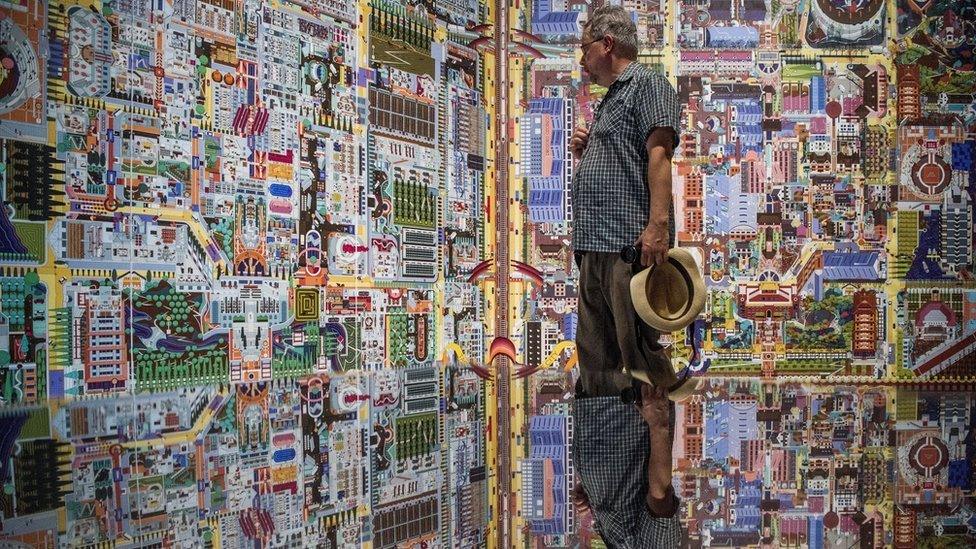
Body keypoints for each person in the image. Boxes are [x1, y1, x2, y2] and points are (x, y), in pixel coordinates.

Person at [568, 5, 683, 547]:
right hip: (593, 247)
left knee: (632, 352)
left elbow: (658, 156)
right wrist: (603, 483)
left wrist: (658, 225)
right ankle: (607, 448)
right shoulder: (615, 100)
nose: (583, 61)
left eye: (585, 48)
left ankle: (655, 418)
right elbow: (629, 156)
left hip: (624, 246)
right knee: (596, 359)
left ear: (606, 43)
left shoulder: (647, 85)